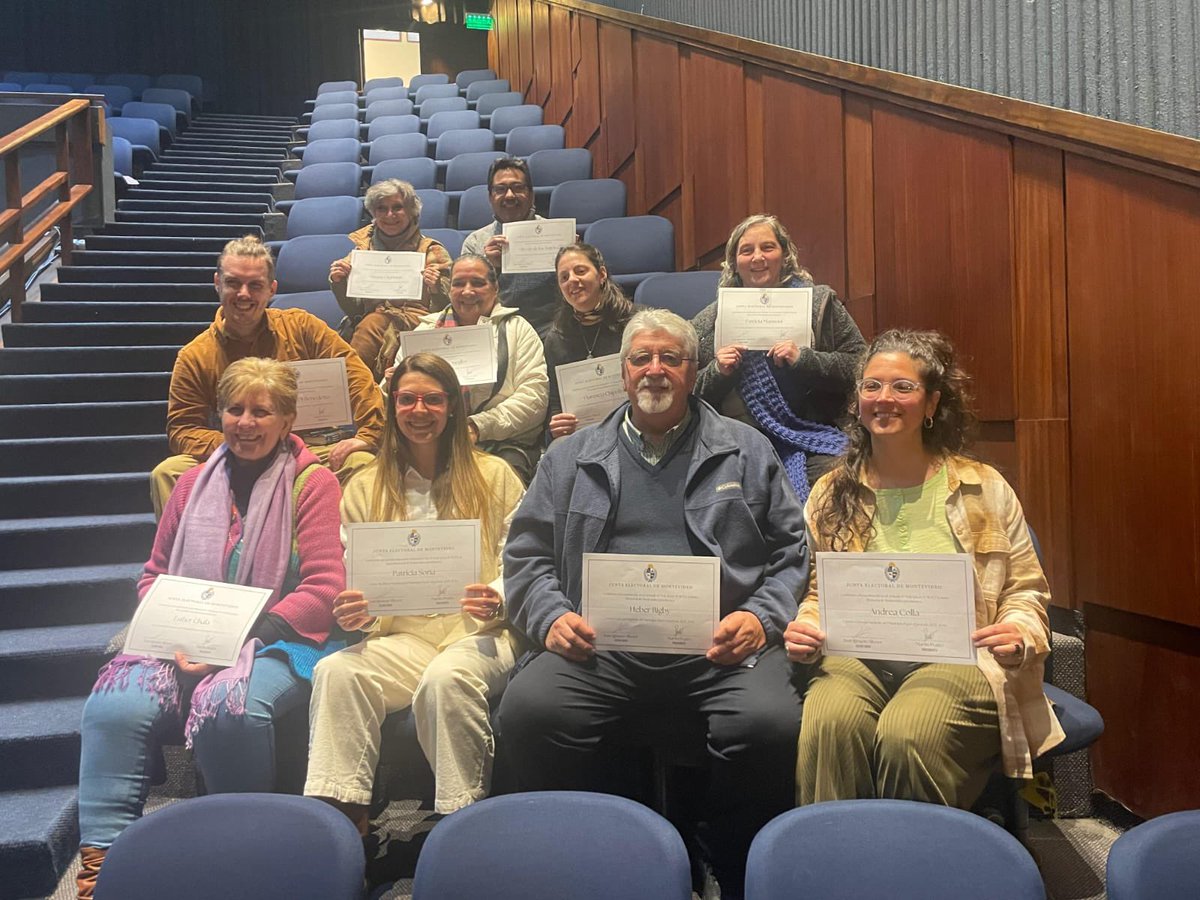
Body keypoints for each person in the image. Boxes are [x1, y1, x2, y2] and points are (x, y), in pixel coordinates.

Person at [499, 309, 808, 899]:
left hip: (719, 649)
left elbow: (791, 552)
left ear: (694, 373)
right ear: (622, 373)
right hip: (601, 648)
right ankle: (588, 854)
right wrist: (550, 615)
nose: (655, 370)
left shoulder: (746, 449)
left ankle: (735, 854)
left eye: (671, 359)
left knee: (766, 724)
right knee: (531, 712)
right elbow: (527, 555)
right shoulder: (569, 457)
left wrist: (760, 616)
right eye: (642, 358)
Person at [76, 358, 344, 899]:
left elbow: (323, 590)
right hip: (183, 642)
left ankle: (235, 857)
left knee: (231, 707)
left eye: (261, 411)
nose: (246, 422)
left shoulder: (314, 484)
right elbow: (155, 575)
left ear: (288, 418)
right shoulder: (191, 482)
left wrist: (240, 642)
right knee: (113, 701)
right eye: (235, 409)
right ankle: (101, 867)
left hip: (280, 641)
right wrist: (172, 631)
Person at [785, 329, 1065, 809]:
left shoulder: (984, 487)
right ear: (857, 401)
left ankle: (915, 867)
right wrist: (808, 624)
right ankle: (834, 867)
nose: (883, 399)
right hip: (856, 656)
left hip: (961, 658)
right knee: (829, 724)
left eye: (902, 387)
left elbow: (1025, 589)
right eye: (871, 386)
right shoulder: (830, 492)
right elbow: (815, 591)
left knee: (908, 733)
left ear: (932, 402)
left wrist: (1018, 631)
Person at [304, 353, 525, 832]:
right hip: (404, 636)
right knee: (337, 670)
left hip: (477, 632)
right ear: (393, 406)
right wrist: (357, 611)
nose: (419, 410)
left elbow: (520, 557)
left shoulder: (496, 475)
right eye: (407, 399)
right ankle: (345, 825)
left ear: (452, 407)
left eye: (432, 399)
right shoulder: (364, 486)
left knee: (447, 679)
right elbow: (356, 578)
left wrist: (497, 596)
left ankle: (460, 823)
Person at [150, 234, 383, 518]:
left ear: (271, 289)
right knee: (167, 473)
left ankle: (343, 560)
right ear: (217, 284)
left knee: (361, 463)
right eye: (233, 283)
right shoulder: (194, 355)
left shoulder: (303, 328)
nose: (244, 294)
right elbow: (182, 429)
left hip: (308, 448)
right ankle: (190, 561)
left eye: (255, 285)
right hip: (236, 451)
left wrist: (369, 434)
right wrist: (244, 443)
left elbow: (356, 377)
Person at [692, 214, 866, 502]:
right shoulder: (708, 321)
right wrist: (718, 372)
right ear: (734, 262)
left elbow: (862, 367)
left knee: (839, 481)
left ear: (784, 255)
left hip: (814, 437)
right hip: (736, 441)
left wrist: (806, 360)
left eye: (768, 248)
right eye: (747, 250)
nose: (758, 257)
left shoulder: (819, 303)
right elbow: (686, 392)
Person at [385, 254, 548, 484]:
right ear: (449, 289)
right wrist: (391, 385)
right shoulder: (424, 333)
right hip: (430, 441)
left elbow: (534, 399)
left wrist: (477, 426)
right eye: (459, 283)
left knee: (495, 493)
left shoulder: (518, 330)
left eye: (478, 283)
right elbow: (392, 400)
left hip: (503, 443)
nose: (467, 291)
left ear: (495, 287)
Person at [329, 179, 452, 379]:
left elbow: (448, 311)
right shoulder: (361, 251)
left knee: (373, 324)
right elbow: (354, 311)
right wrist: (339, 282)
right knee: (369, 325)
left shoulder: (432, 251)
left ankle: (356, 389)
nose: (389, 215)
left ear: (411, 211)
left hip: (421, 327)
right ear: (373, 213)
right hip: (369, 326)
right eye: (381, 208)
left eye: (397, 208)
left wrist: (437, 288)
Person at [544, 242, 641, 441]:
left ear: (602, 274)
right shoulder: (556, 338)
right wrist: (557, 423)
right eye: (564, 277)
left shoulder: (637, 323)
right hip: (583, 436)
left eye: (580, 271)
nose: (572, 280)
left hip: (636, 429)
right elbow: (556, 403)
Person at [460, 156, 564, 336]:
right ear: (490, 197)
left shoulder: (556, 235)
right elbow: (466, 299)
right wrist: (492, 268)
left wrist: (572, 261)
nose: (509, 195)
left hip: (550, 331)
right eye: (501, 189)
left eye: (518, 188)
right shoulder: (474, 242)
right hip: (494, 331)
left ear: (531, 195)